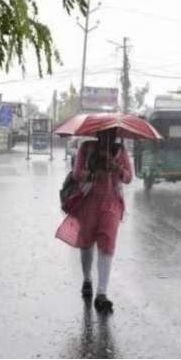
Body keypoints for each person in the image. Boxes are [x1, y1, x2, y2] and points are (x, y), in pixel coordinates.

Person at [64, 128, 132, 313]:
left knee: (107, 244)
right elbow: (77, 173)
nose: (108, 138)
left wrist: (117, 167)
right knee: (86, 244)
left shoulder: (120, 151)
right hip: (88, 201)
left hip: (111, 204)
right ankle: (87, 279)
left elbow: (128, 178)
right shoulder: (86, 147)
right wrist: (94, 174)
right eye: (104, 134)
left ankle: (102, 293)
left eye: (112, 135)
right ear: (98, 134)